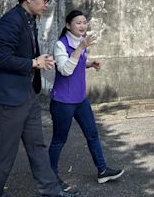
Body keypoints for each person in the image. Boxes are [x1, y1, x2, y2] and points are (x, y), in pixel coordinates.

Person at [0, 0, 79, 197]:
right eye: (44, 0)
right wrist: (34, 62)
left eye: (48, 1)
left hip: (27, 95)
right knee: (5, 155)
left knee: (37, 147)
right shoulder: (10, 22)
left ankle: (52, 192)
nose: (46, 5)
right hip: (7, 99)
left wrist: (36, 61)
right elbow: (1, 58)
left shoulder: (29, 19)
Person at [49, 10, 124, 186]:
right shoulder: (61, 44)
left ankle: (103, 170)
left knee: (92, 134)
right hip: (63, 102)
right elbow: (65, 69)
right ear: (68, 25)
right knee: (59, 140)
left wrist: (89, 63)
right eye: (78, 23)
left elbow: (76, 63)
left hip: (80, 100)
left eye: (84, 22)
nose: (83, 26)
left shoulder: (81, 43)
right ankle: (50, 176)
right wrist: (81, 48)